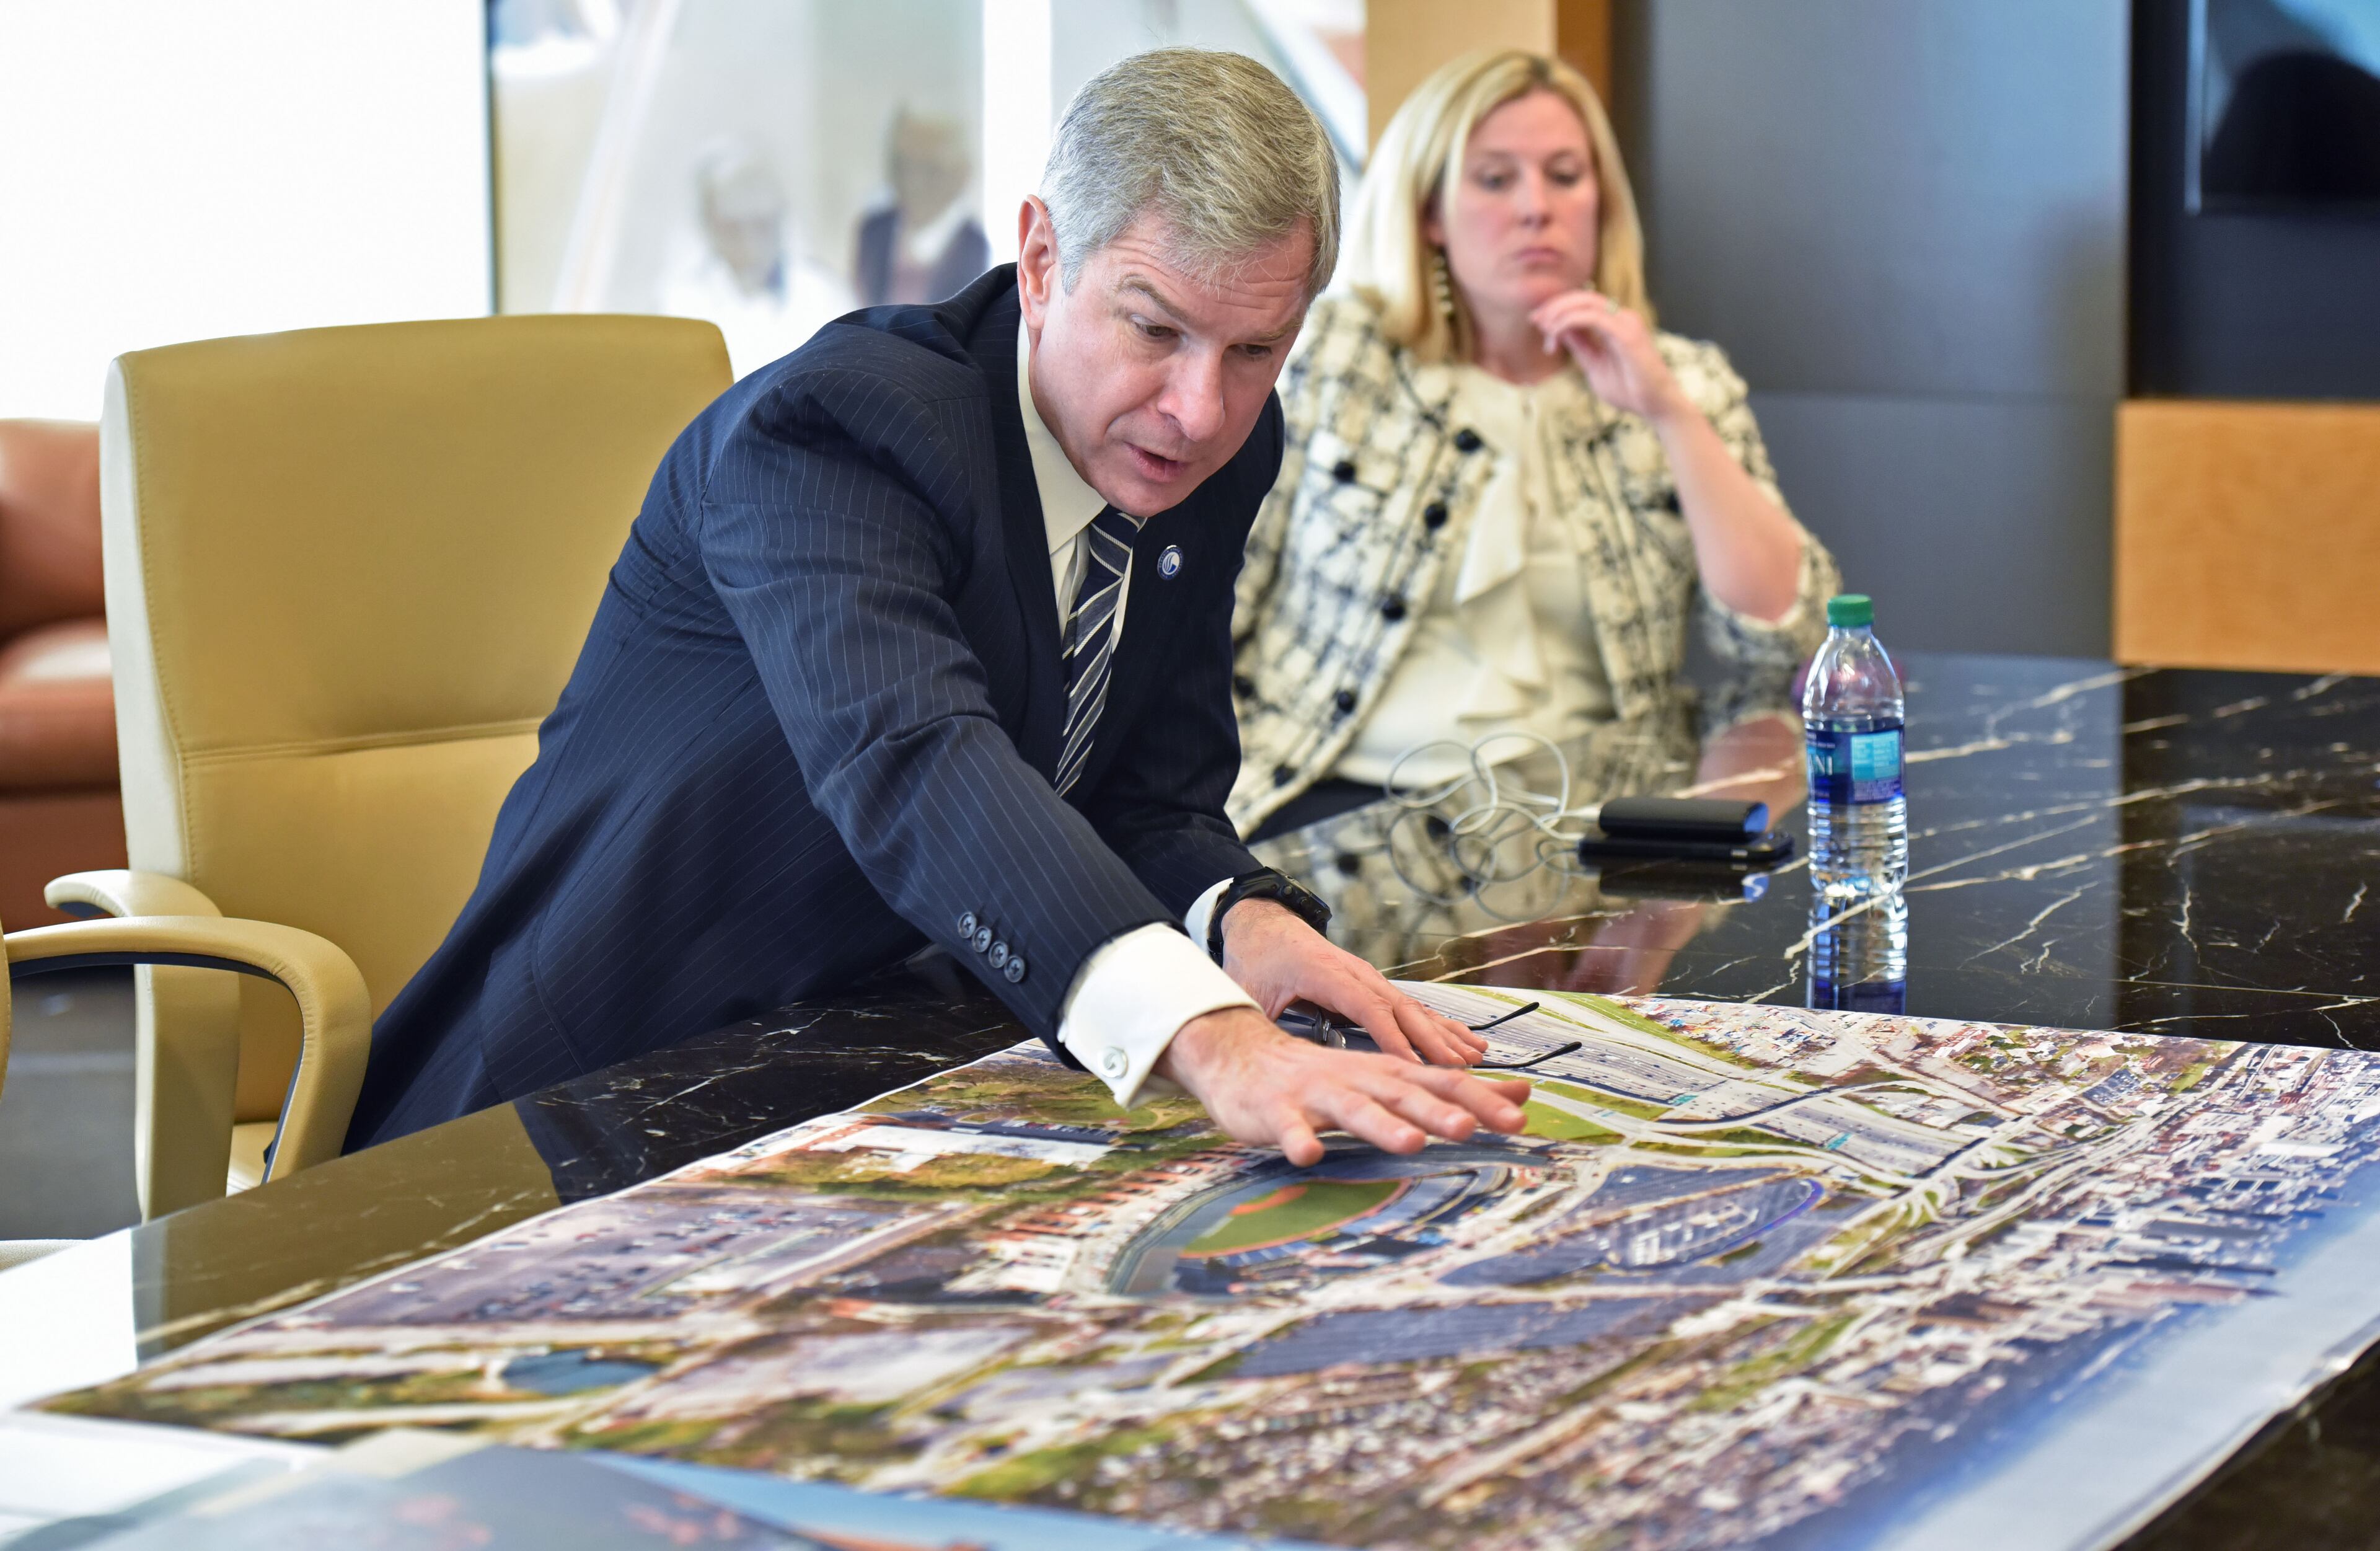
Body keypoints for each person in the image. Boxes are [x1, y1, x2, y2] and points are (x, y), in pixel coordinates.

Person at [346, 50, 1529, 1165]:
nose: (1199, 409)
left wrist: (1241, 921)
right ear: (1042, 258)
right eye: (1154, 328)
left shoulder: (1203, 450)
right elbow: (915, 761)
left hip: (891, 1071)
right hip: (588, 1097)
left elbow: (1146, 795)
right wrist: (1207, 1037)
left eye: (1256, 349)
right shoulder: (838, 428)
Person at [1228, 50, 1840, 839]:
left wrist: (1668, 412)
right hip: (1328, 797)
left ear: (1601, 203)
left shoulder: (1684, 380)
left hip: (1591, 819)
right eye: (1494, 179)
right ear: (1430, 213)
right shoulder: (1341, 357)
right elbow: (1216, 600)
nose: (1535, 208)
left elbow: (1788, 640)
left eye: (1565, 176)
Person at [658, 139, 857, 378]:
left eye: (760, 224)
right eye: (733, 227)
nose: (749, 241)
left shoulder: (823, 294)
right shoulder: (679, 303)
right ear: (709, 223)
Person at [854, 109, 994, 305]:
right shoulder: (874, 232)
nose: (913, 182)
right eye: (904, 166)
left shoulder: (973, 248)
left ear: (961, 173)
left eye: (930, 169)